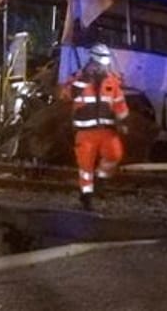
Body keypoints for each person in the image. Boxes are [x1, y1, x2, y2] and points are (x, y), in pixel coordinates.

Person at [63, 43, 129, 211]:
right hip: (85, 133)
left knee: (115, 155)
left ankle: (100, 180)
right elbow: (66, 95)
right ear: (92, 61)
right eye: (100, 63)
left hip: (107, 130)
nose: (103, 67)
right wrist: (80, 82)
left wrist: (123, 122)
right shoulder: (80, 79)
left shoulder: (112, 82)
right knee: (85, 167)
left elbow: (119, 104)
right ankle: (86, 196)